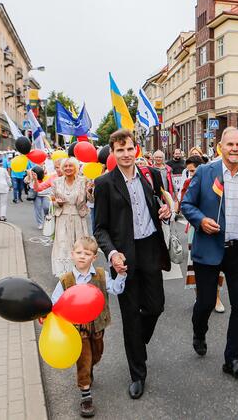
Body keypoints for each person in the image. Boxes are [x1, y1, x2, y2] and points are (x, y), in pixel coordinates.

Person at [94, 129, 172, 400]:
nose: (125, 154)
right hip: (124, 256)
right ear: (112, 153)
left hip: (150, 247)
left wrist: (165, 210)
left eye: (129, 149)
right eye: (119, 150)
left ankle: (138, 342)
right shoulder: (104, 184)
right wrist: (113, 253)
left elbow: (160, 203)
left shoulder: (152, 175)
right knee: (130, 316)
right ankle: (138, 374)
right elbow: (100, 228)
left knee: (155, 306)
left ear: (136, 149)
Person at [181, 127, 238, 381]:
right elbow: (186, 204)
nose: (235, 148)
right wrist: (201, 220)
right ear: (221, 146)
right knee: (205, 303)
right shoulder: (206, 172)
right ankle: (199, 330)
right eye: (230, 144)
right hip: (210, 248)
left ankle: (232, 359)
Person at [49, 236, 127, 418]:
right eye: (78, 253)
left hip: (98, 326)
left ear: (94, 257)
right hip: (77, 330)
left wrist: (121, 275)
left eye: (87, 253)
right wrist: (49, 315)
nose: (82, 256)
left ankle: (90, 369)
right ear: (72, 255)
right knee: (83, 359)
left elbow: (116, 290)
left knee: (96, 355)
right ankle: (86, 395)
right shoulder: (66, 280)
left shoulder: (100, 275)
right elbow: (55, 302)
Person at [181, 156, 226, 313]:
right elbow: (184, 204)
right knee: (195, 267)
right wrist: (199, 220)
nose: (191, 174)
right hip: (196, 229)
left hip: (216, 230)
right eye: (189, 171)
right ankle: (200, 297)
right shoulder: (188, 183)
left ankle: (216, 296)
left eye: (193, 170)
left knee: (217, 266)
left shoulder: (216, 179)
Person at [51, 158, 91, 277]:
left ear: (76, 168)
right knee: (62, 245)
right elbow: (52, 199)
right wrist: (57, 203)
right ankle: (64, 274)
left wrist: (90, 191)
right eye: (65, 166)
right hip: (62, 217)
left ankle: (80, 272)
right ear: (62, 168)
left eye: (71, 166)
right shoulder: (56, 182)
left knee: (79, 245)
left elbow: (92, 199)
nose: (68, 168)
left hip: (78, 217)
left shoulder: (84, 181)